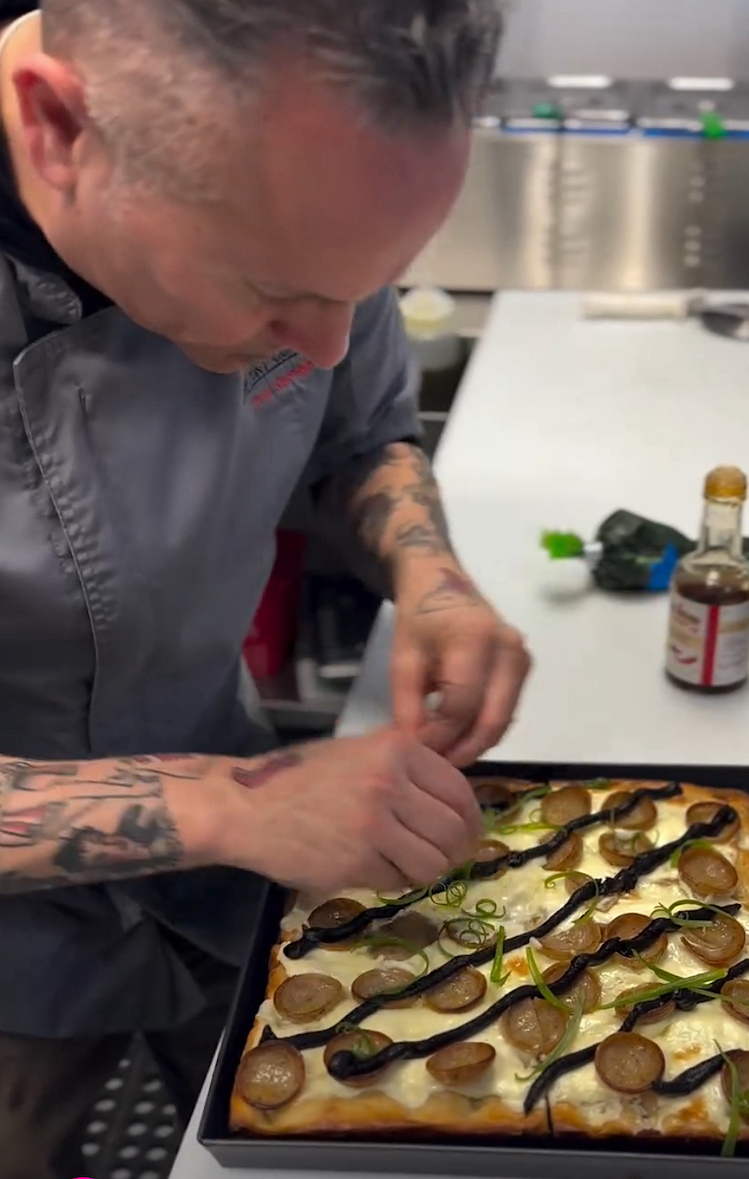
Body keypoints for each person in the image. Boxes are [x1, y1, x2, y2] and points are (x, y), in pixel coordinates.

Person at [0, 2, 531, 1175]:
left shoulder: (301, 195)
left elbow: (359, 436)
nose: (331, 341)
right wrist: (228, 802)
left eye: (371, 287)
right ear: (55, 132)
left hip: (233, 880)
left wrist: (428, 575)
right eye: (273, 289)